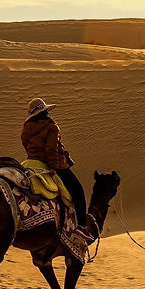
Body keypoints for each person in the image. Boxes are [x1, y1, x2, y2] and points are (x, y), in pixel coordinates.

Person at [20, 97, 88, 227]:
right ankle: (82, 227)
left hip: (30, 163)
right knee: (78, 191)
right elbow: (51, 149)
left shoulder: (26, 128)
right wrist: (53, 168)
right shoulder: (51, 127)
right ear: (45, 112)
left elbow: (25, 145)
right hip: (50, 164)